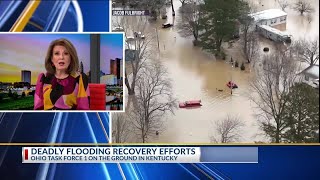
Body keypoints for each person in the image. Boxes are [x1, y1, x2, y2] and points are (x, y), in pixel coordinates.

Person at [34, 38, 90, 110]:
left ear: (71, 58)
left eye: (66, 53)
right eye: (57, 53)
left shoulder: (80, 79)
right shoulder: (43, 79)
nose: (61, 57)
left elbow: (84, 110)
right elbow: (38, 109)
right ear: (51, 58)